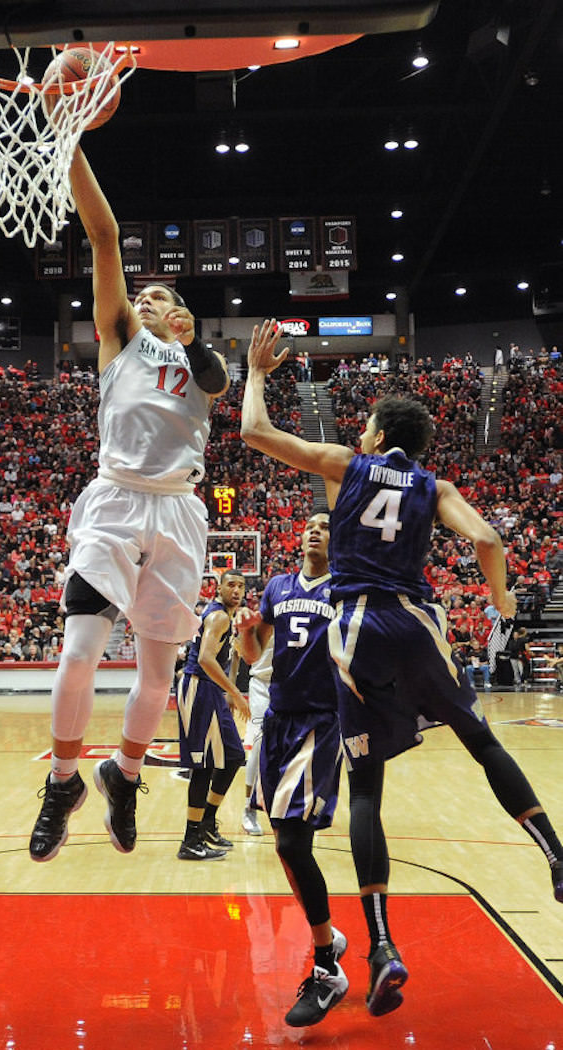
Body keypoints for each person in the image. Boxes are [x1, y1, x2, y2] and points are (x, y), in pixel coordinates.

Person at [240, 319, 563, 1017]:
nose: (358, 432)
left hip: (357, 630)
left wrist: (260, 376)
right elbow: (486, 539)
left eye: (365, 426)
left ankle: (382, 946)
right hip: (418, 623)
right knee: (483, 742)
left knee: (366, 790)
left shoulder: (348, 466)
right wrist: (502, 599)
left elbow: (258, 436)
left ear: (379, 433)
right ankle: (556, 856)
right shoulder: (434, 483)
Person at [29, 145, 230, 862]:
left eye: (160, 298)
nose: (143, 300)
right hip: (115, 501)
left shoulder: (201, 362)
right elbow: (104, 235)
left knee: (155, 675)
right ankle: (63, 781)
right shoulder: (120, 341)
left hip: (178, 510)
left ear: (182, 315)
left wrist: (193, 336)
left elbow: (213, 378)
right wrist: (73, 139)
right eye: (139, 296)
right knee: (80, 651)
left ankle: (126, 772)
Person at [235, 513, 348, 1028]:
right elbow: (254, 650)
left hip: (319, 723)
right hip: (278, 720)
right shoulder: (278, 586)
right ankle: (330, 935)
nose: (314, 530)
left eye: (325, 525)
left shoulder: (346, 586)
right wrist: (243, 638)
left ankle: (328, 968)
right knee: (285, 841)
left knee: (290, 844)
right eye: (309, 525)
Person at [176, 569, 250, 861]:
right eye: (231, 584)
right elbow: (205, 659)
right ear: (219, 588)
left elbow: (226, 656)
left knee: (233, 756)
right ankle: (190, 839)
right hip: (198, 687)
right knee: (204, 765)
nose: (237, 590)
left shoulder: (230, 619)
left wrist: (229, 681)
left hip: (210, 690)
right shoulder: (219, 616)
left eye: (241, 586)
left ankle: (206, 822)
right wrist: (234, 691)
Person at [241, 632, 272, 836]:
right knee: (260, 744)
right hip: (261, 684)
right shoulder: (265, 613)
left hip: (290, 685)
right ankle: (249, 809)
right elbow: (241, 653)